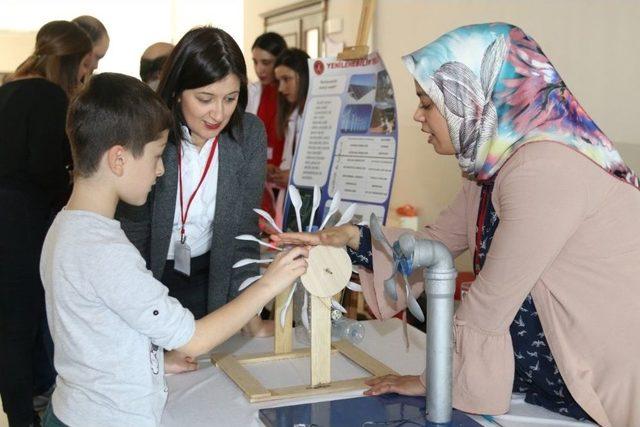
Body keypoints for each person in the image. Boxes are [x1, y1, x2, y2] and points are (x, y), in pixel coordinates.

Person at [273, 23, 640, 427]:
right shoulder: (489, 169)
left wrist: (436, 381)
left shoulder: (543, 169)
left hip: (595, 383)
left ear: (472, 98)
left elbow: (490, 303)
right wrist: (351, 238)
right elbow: (432, 245)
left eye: (427, 103)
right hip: (544, 387)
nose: (417, 115)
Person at [39, 72, 308, 427]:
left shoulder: (67, 226)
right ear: (118, 159)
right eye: (154, 156)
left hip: (76, 408)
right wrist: (270, 284)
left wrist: (155, 361)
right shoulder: (104, 251)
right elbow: (194, 340)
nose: (162, 169)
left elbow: (93, 337)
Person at [116, 27, 271, 336]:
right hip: (145, 277)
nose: (219, 113)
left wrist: (250, 310)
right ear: (176, 91)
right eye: (205, 99)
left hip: (211, 276)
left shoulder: (248, 134)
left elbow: (243, 234)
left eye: (230, 98)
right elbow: (131, 239)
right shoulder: (149, 133)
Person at [0, 20, 92, 427]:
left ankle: (20, 409)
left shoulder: (9, 89)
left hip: (9, 217)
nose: (86, 77)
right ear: (73, 63)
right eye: (87, 67)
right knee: (22, 322)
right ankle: (25, 415)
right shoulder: (50, 96)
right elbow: (44, 168)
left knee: (10, 322)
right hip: (22, 222)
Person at [246, 33, 287, 228]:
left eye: (266, 62)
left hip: (286, 180)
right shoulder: (252, 93)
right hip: (262, 180)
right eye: (255, 62)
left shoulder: (290, 95)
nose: (259, 69)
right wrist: (261, 166)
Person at [272, 48, 310, 228]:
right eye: (279, 81)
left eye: (286, 79)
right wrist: (278, 172)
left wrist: (296, 178)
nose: (281, 88)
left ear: (304, 76)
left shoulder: (317, 115)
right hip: (291, 199)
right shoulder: (293, 115)